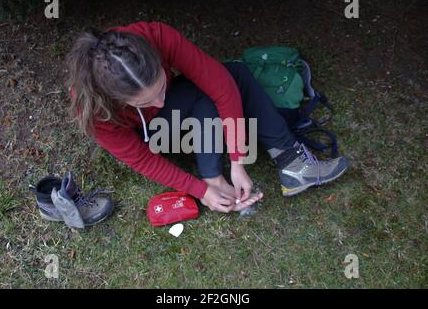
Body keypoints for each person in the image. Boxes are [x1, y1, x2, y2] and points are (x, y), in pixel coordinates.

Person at [65, 21, 348, 213]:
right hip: (154, 137)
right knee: (207, 94)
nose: (159, 101)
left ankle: (291, 164)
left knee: (233, 75)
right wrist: (200, 191)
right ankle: (212, 179)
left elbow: (222, 86)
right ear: (118, 100)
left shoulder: (155, 36)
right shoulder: (93, 108)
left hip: (179, 116)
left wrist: (238, 161)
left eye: (161, 87)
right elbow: (142, 159)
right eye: (145, 101)